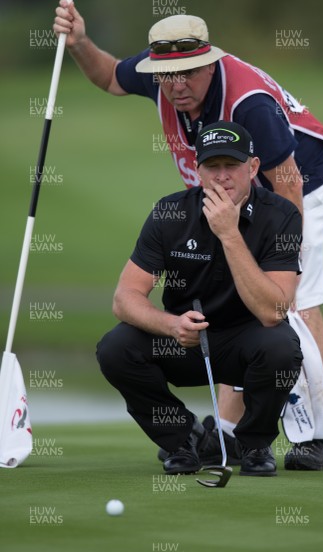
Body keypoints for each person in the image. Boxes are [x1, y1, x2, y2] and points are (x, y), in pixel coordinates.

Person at [54, 5, 323, 470]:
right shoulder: (160, 75)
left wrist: (282, 257)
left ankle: (312, 435)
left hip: (303, 182)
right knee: (231, 303)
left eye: (188, 73)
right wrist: (81, 43)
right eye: (167, 76)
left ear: (210, 63)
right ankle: (228, 436)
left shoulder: (249, 104)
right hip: (226, 185)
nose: (176, 84)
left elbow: (287, 183)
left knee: (295, 303)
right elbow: (108, 77)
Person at [96, 121, 303, 476]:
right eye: (212, 166)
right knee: (115, 347)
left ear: (252, 168)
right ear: (197, 169)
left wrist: (229, 234)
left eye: (232, 166)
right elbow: (124, 298)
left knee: (282, 346)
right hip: (185, 341)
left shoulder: (281, 216)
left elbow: (274, 310)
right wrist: (170, 324)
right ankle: (182, 440)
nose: (221, 177)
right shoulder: (170, 213)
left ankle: (254, 445)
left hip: (248, 342)